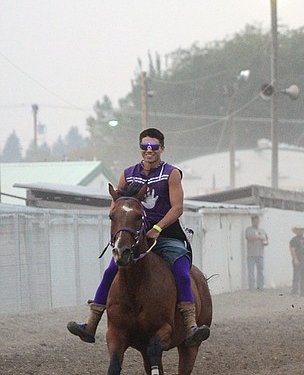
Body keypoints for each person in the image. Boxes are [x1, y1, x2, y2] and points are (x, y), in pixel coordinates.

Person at [66, 128, 210, 346]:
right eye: (145, 147)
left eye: (153, 147)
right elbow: (117, 202)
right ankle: (91, 323)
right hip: (135, 238)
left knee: (181, 272)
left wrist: (158, 229)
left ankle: (190, 326)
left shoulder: (171, 174)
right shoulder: (127, 173)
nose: (149, 151)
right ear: (140, 148)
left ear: (162, 148)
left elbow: (177, 208)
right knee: (110, 272)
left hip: (167, 236)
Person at [244, 215, 269, 290]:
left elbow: (266, 240)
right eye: (255, 221)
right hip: (251, 254)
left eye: (258, 221)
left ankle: (260, 286)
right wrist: (258, 237)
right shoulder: (249, 230)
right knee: (251, 272)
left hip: (260, 254)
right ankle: (251, 287)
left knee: (260, 271)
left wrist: (265, 242)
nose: (257, 222)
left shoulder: (262, 231)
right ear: (252, 221)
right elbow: (248, 238)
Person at [289, 226, 304, 296]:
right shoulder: (293, 240)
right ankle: (295, 291)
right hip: (298, 260)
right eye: (298, 230)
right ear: (296, 232)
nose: (300, 232)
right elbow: (292, 249)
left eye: (301, 230)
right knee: (296, 275)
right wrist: (295, 259)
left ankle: (303, 292)